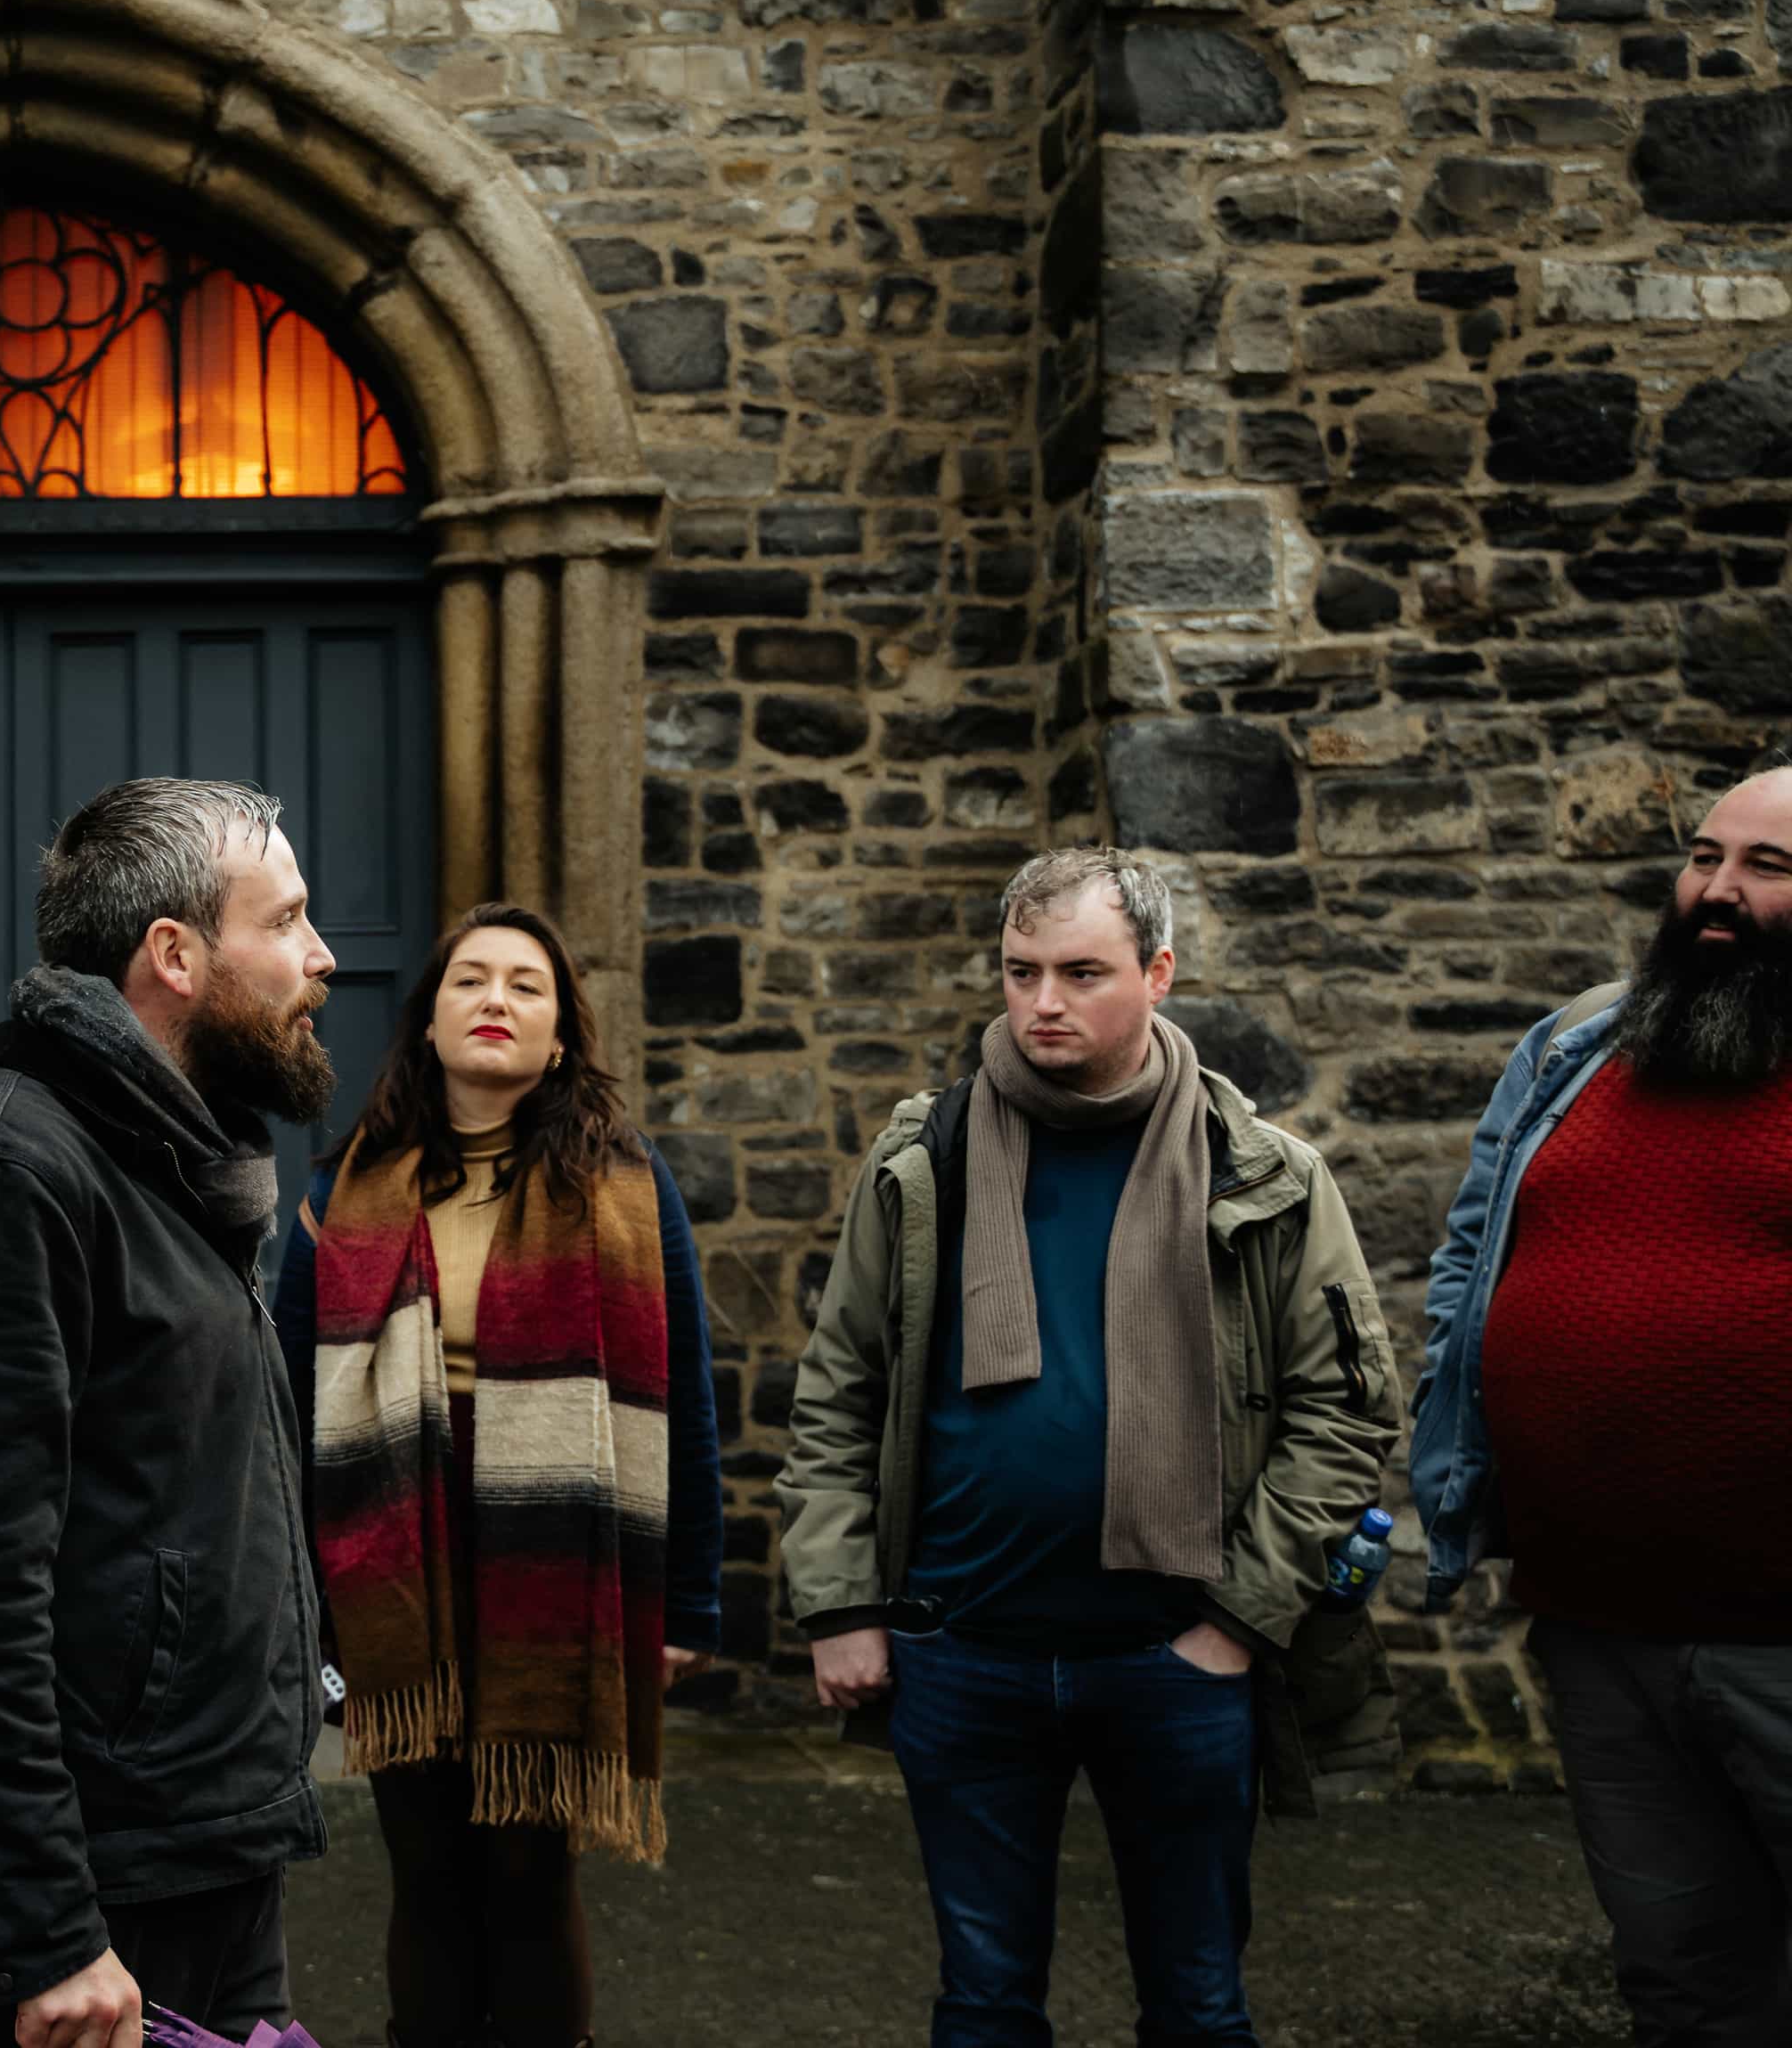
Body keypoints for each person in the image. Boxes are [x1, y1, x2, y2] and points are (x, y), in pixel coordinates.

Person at [778, 845, 1402, 2048]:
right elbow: (841, 1386)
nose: (1044, 1002)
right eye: (1020, 972)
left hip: (1175, 1662)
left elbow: (1343, 1413)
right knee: (982, 2002)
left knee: (1200, 2003)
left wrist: (1235, 1625)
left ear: (1158, 973)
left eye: (1081, 971)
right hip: (963, 1652)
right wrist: (841, 1601)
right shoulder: (928, 1158)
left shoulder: (1262, 1173)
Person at [0, 776, 338, 2048]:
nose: (321, 959)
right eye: (284, 922)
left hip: (196, 1847)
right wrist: (49, 1930)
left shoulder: (166, 1166)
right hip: (80, 1898)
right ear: (174, 954)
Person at [270, 902, 722, 2048]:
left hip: (556, 1567)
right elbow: (279, 1403)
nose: (495, 1001)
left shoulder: (627, 1188)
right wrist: (298, 1593)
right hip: (394, 1564)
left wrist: (689, 1601)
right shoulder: (344, 1193)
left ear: (561, 1036)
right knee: (427, 1873)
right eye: (470, 980)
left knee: (529, 1873)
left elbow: (689, 1399)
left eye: (527, 986)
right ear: (428, 1021)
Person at [1409, 750, 1792, 2048]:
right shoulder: (1579, 1042)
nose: (1716, 892)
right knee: (1681, 1983)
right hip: (1600, 1627)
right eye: (1703, 856)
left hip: (1781, 1636)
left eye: (1765, 867)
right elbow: (1471, 1254)